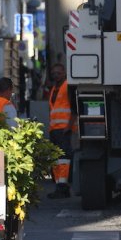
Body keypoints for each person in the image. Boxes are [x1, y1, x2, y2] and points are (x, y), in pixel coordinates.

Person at [46, 64, 75, 199]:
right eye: (54, 73)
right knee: (56, 159)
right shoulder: (54, 88)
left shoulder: (67, 86)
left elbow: (73, 107)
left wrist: (69, 126)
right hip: (55, 129)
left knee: (63, 159)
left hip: (64, 129)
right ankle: (60, 186)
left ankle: (63, 186)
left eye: (58, 73)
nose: (55, 75)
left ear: (64, 73)